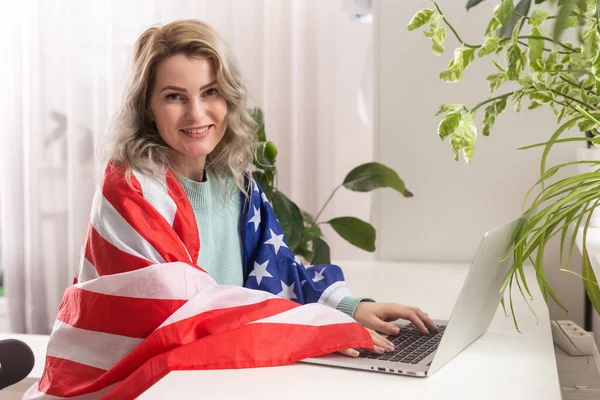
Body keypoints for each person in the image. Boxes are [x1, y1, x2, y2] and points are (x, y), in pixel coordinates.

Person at [25, 19, 436, 399]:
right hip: (144, 385)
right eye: (174, 97)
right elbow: (184, 311)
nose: (196, 113)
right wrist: (316, 331)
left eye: (210, 92)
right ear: (147, 107)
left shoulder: (235, 184)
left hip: (220, 377)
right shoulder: (130, 188)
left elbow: (279, 271)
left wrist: (351, 308)